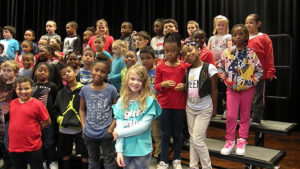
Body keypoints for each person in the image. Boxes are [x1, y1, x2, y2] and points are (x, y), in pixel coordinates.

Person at [218, 24, 263, 156]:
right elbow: (220, 67)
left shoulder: (251, 53)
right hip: (232, 89)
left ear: (246, 36)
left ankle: (242, 140)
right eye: (235, 34)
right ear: (232, 36)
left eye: (241, 34)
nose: (238, 37)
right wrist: (225, 79)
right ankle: (230, 140)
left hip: (247, 89)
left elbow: (259, 69)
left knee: (245, 116)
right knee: (231, 116)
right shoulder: (227, 52)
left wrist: (253, 81)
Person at [113, 65, 162, 169]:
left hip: (142, 150)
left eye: (139, 80)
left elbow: (142, 127)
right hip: (126, 150)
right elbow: (119, 126)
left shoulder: (149, 101)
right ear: (127, 80)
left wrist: (119, 133)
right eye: (132, 79)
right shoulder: (121, 101)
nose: (135, 82)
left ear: (144, 83)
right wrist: (119, 151)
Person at [155, 32, 189, 169]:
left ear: (179, 50)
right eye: (167, 51)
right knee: (165, 134)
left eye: (173, 51)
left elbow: (190, 84)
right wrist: (163, 85)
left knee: (177, 134)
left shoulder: (184, 67)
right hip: (164, 105)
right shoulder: (160, 66)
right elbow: (156, 86)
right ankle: (163, 160)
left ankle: (177, 159)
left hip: (179, 106)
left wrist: (184, 87)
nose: (169, 54)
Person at [182, 41, 218, 169]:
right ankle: (193, 166)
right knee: (193, 139)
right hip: (190, 108)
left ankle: (207, 166)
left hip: (204, 108)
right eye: (185, 53)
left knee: (197, 139)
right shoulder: (188, 70)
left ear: (198, 50)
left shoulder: (209, 68)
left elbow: (214, 90)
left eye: (191, 50)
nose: (188, 54)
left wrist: (215, 109)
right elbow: (189, 87)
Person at [79, 61, 119, 169]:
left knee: (109, 160)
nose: (99, 73)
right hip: (89, 132)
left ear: (106, 74)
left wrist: (111, 129)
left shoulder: (111, 89)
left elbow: (119, 111)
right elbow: (82, 109)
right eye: (96, 70)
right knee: (92, 160)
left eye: (103, 72)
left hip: (106, 132)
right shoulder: (84, 89)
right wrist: (83, 126)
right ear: (91, 69)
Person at [9, 76, 51, 169]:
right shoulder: (12, 103)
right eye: (19, 89)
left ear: (32, 88)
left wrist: (36, 128)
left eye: (26, 88)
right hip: (15, 146)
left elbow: (47, 121)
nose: (23, 92)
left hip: (33, 147)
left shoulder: (37, 104)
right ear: (15, 89)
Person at [53, 64, 88, 169]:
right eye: (64, 74)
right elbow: (55, 110)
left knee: (85, 154)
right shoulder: (61, 92)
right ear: (62, 77)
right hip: (65, 129)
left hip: (82, 128)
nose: (67, 74)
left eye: (69, 71)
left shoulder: (85, 89)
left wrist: (85, 123)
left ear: (75, 73)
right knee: (65, 154)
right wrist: (61, 119)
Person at [245, 14, 276, 124]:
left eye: (251, 22)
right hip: (244, 73)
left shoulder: (263, 38)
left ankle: (256, 119)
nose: (248, 25)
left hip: (258, 73)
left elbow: (269, 54)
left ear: (258, 24)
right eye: (246, 23)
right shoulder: (244, 37)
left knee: (257, 97)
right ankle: (244, 118)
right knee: (244, 96)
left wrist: (270, 70)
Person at [32, 62, 59, 169]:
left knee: (49, 142)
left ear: (49, 74)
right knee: (38, 143)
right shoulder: (31, 85)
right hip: (34, 121)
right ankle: (42, 160)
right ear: (35, 72)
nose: (42, 72)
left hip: (48, 120)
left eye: (45, 71)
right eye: (40, 70)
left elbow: (55, 103)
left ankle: (52, 161)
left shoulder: (52, 86)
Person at [140, 46, 161, 160]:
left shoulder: (159, 70)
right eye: (142, 58)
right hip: (142, 106)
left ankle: (158, 154)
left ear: (154, 58)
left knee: (156, 132)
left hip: (155, 106)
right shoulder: (140, 71)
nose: (145, 61)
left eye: (148, 58)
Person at [0, 60, 19, 169]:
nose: (6, 73)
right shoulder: (1, 83)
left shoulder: (17, 84)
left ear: (15, 72)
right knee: (2, 141)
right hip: (2, 115)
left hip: (12, 117)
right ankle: (7, 160)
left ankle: (13, 162)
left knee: (8, 141)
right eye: (4, 70)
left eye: (9, 71)